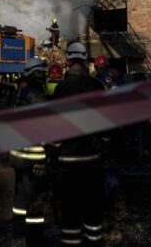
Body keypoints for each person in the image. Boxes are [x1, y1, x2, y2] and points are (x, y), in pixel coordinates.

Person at [47, 42, 106, 246]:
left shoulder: (61, 89)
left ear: (69, 60)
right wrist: (103, 146)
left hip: (68, 163)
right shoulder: (97, 86)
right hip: (93, 161)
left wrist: (52, 155)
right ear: (85, 60)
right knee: (93, 210)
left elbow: (55, 129)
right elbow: (108, 125)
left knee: (70, 212)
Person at [10, 58, 51, 246]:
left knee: (20, 197)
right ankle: (35, 239)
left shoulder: (21, 93)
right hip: (33, 157)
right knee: (35, 200)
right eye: (42, 71)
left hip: (18, 155)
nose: (45, 75)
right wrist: (47, 153)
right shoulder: (37, 95)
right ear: (36, 73)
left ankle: (18, 232)